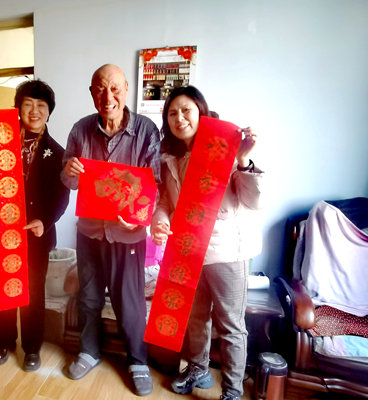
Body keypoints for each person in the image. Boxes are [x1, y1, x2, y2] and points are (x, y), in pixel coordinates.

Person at [150, 86, 264, 400]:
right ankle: (197, 369)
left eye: (186, 110)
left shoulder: (225, 148)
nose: (180, 118)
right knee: (195, 318)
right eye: (172, 113)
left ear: (201, 111)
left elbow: (253, 201)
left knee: (230, 325)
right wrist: (160, 221)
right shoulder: (169, 156)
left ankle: (232, 390)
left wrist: (243, 159)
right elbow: (165, 202)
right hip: (189, 250)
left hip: (227, 252)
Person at [61, 64, 161, 396]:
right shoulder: (80, 129)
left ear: (126, 89)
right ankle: (89, 351)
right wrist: (70, 171)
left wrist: (141, 218)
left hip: (128, 234)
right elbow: (68, 180)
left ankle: (137, 361)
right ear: (92, 93)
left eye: (115, 88)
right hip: (89, 231)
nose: (108, 97)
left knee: (129, 301)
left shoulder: (146, 130)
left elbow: (156, 184)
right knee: (88, 297)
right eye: (100, 89)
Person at [0, 79, 69, 372]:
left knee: (33, 292)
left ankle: (32, 347)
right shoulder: (1, 139)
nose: (34, 111)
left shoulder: (57, 152)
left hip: (35, 233)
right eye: (28, 104)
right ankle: (5, 341)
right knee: (6, 288)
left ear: (49, 111)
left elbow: (61, 195)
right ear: (18, 109)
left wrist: (45, 221)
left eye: (41, 105)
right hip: (1, 230)